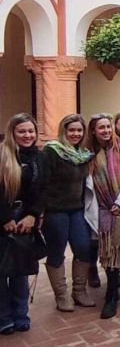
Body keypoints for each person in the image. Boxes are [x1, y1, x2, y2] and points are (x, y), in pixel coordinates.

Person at [84, 113, 120, 319]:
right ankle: (106, 277)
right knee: (103, 248)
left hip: (119, 205)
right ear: (93, 130)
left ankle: (111, 294)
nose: (106, 131)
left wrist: (119, 203)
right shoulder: (87, 152)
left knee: (114, 248)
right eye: (101, 128)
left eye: (108, 127)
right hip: (98, 207)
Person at [40, 115, 95, 312]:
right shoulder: (52, 151)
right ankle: (61, 295)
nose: (76, 134)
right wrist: (39, 211)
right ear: (63, 131)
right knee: (57, 251)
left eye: (79, 130)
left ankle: (79, 291)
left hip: (77, 209)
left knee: (83, 247)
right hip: (55, 210)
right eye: (71, 130)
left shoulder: (84, 154)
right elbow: (42, 182)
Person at [0, 114, 42, 335]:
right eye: (22, 131)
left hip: (25, 220)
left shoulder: (38, 157)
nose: (27, 135)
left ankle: (21, 315)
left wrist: (33, 215)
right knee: (1, 271)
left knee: (20, 271)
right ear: (12, 133)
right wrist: (5, 218)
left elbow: (43, 190)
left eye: (31, 131)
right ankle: (3, 317)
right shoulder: (3, 155)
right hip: (4, 218)